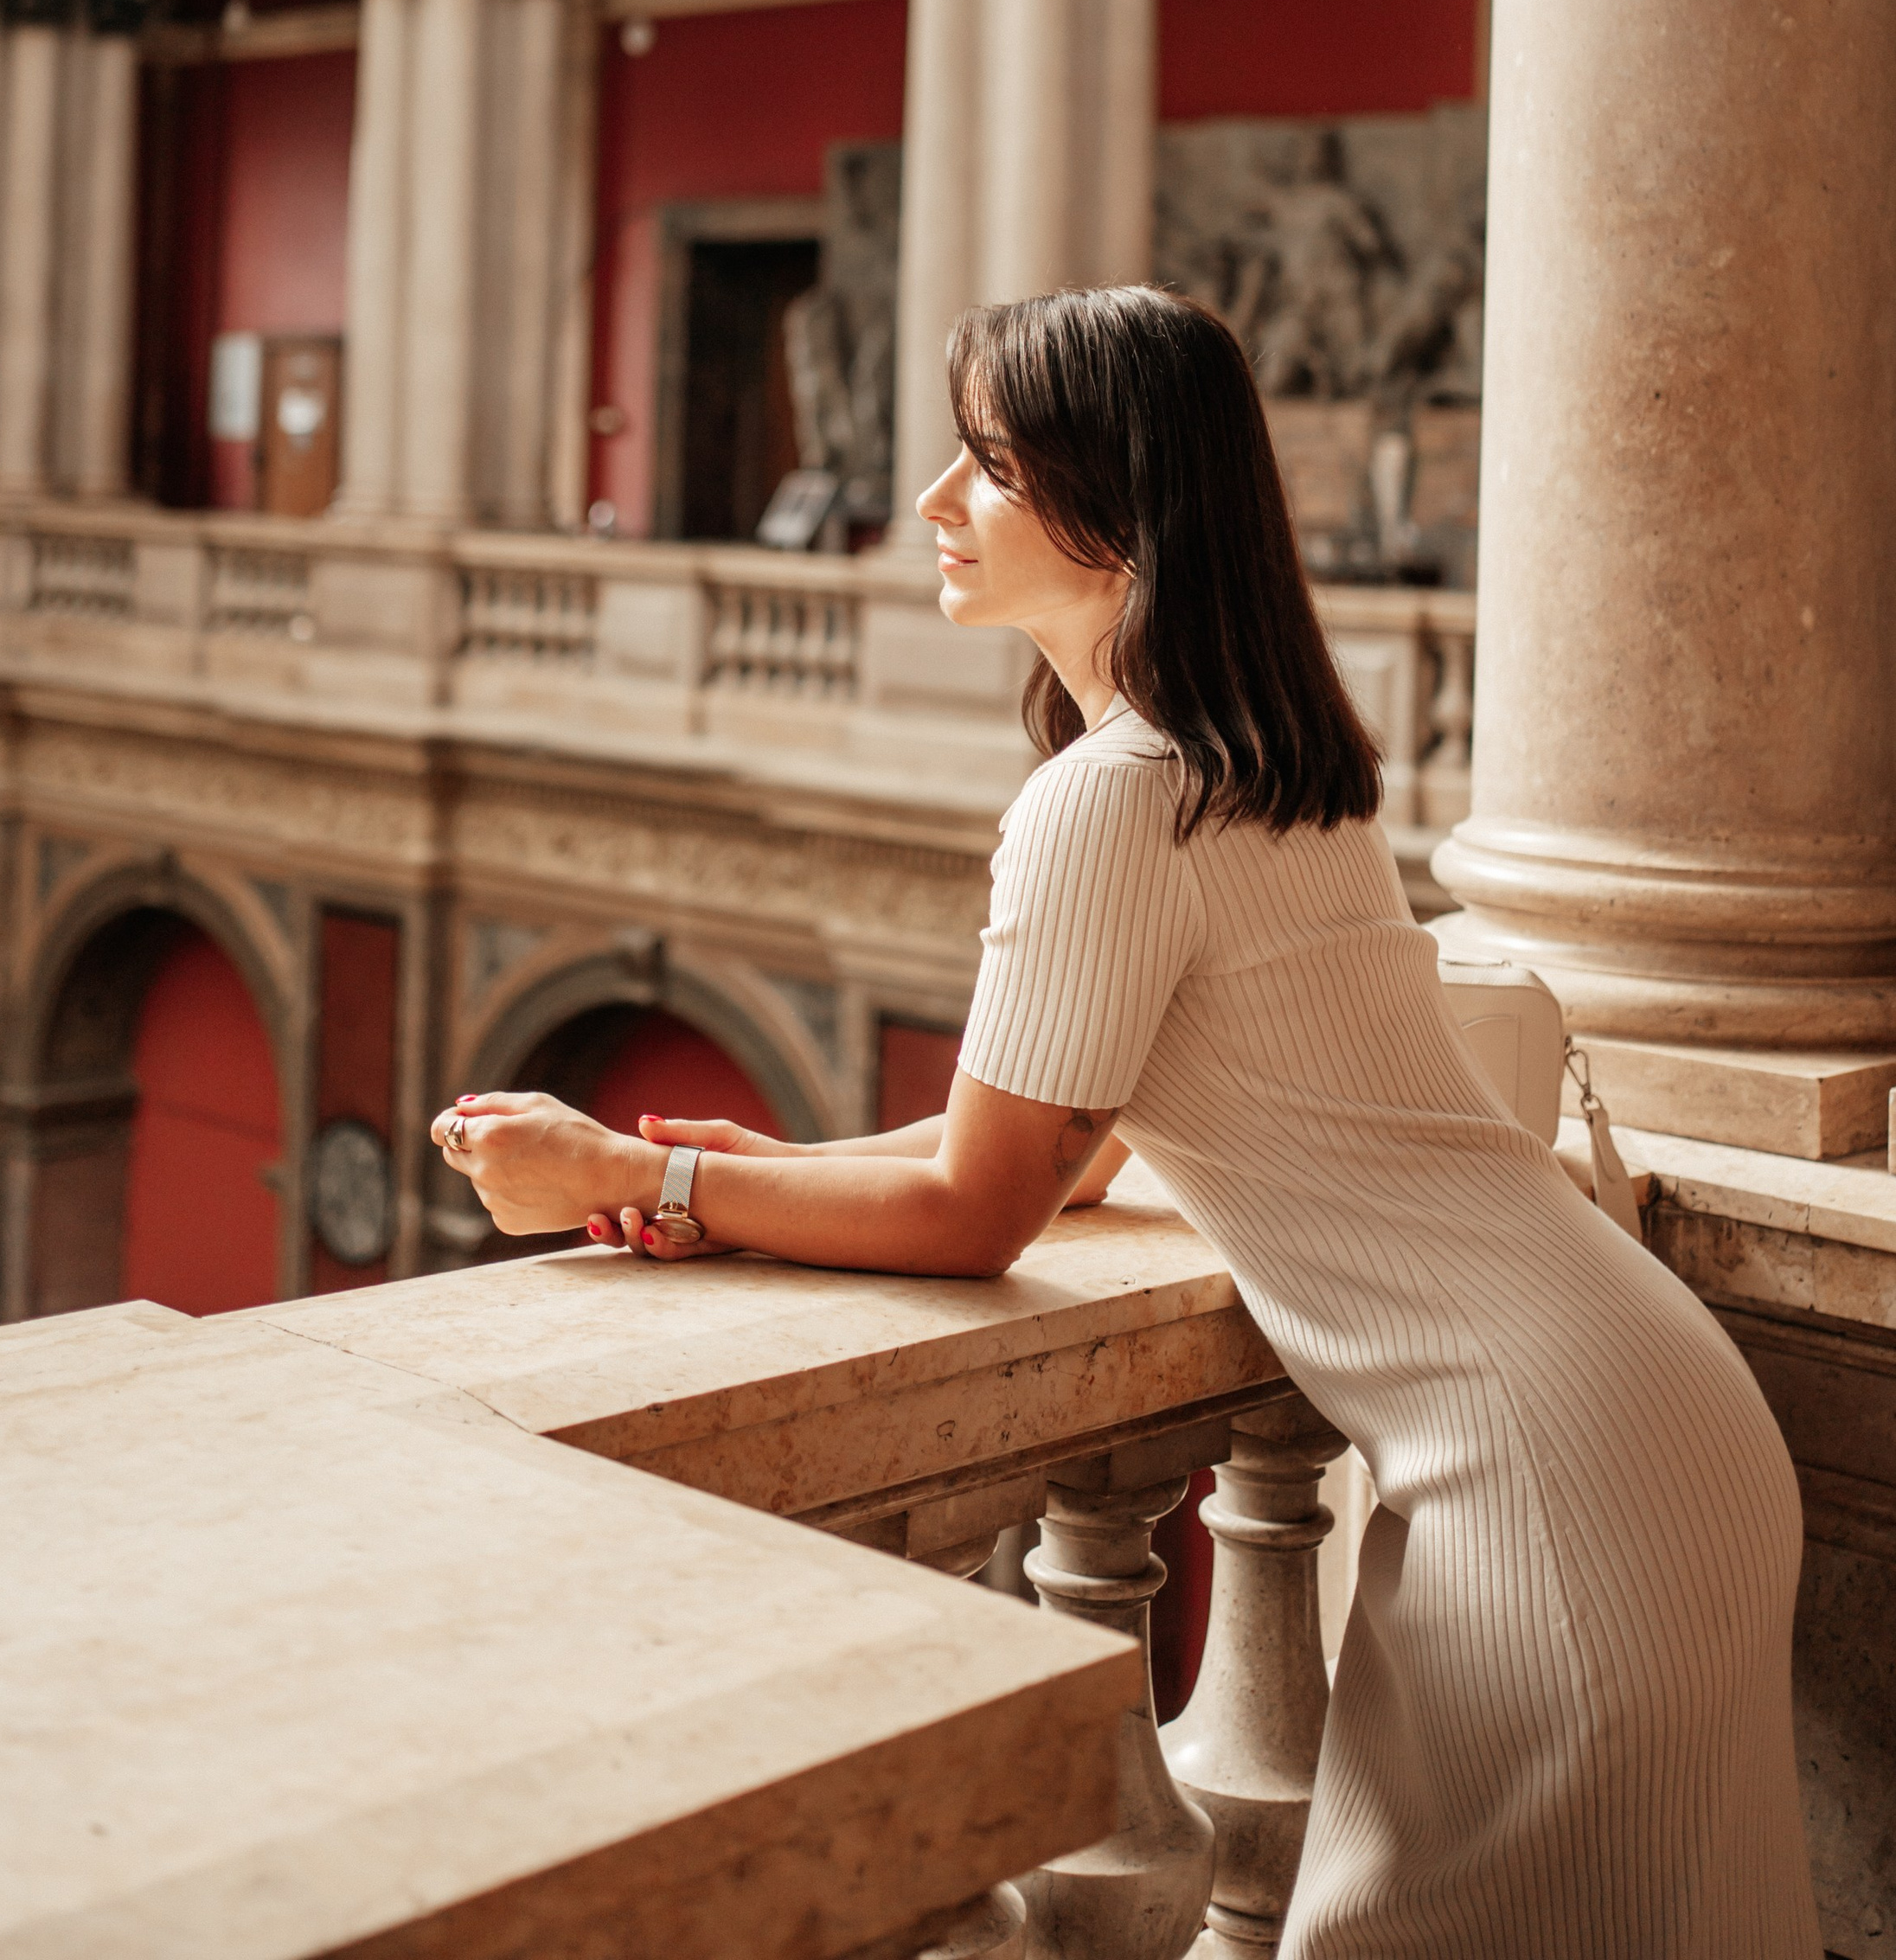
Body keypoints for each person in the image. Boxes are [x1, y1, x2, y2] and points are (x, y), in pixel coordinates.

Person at [432, 285, 1819, 1958]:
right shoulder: (1270, 769)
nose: (938, 502)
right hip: (1645, 1415)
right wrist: (765, 1169)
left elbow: (982, 1210)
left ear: (1125, 507)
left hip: (1543, 1473)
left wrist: (633, 1175)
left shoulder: (1109, 800)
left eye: (992, 466)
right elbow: (1077, 1146)